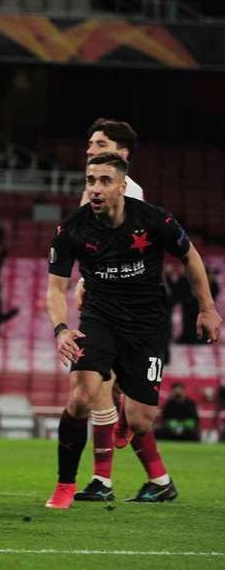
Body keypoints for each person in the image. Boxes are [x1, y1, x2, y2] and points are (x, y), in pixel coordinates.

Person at [45, 152, 221, 509]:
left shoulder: (153, 219)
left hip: (146, 327)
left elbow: (190, 256)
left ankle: (128, 414)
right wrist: (62, 328)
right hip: (99, 320)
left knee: (142, 420)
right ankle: (65, 485)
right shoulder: (72, 229)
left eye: (105, 181)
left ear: (123, 186)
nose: (95, 188)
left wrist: (207, 308)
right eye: (90, 180)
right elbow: (55, 288)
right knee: (81, 396)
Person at [73, 119, 182, 504]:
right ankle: (154, 479)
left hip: (130, 316)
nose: (89, 148)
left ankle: (105, 480)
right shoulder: (97, 189)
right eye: (89, 142)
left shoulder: (125, 194)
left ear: (122, 155)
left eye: (99, 142)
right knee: (104, 394)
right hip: (107, 307)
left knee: (105, 396)